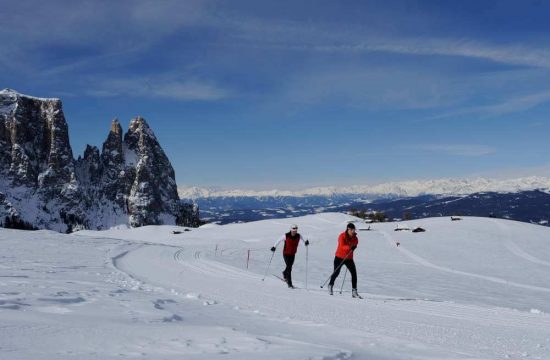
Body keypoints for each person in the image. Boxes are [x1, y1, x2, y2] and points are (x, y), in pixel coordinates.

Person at [328, 222, 362, 298]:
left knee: (354, 273)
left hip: (349, 258)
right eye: (352, 230)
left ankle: (354, 291)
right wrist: (351, 247)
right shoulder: (342, 236)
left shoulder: (355, 238)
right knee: (336, 272)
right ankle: (330, 285)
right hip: (339, 257)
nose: (353, 231)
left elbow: (356, 243)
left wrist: (354, 247)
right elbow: (342, 246)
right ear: (348, 229)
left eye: (354, 230)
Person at [271, 224, 309, 288]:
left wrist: (305, 243)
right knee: (289, 268)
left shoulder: (298, 236)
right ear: (291, 229)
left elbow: (303, 242)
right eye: (293, 229)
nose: (295, 231)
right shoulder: (286, 235)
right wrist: (274, 246)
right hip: (286, 253)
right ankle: (289, 283)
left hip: (293, 254)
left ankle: (284, 273)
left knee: (290, 266)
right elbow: (279, 240)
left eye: (296, 229)